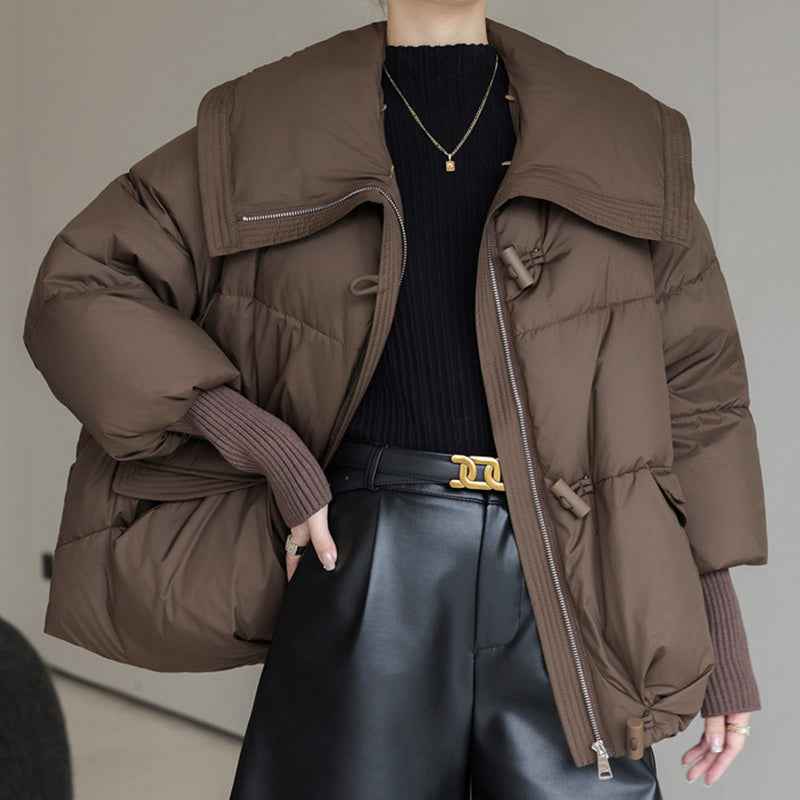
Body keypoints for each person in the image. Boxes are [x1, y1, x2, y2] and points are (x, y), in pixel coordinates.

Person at [23, 1, 768, 797]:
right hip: (372, 554)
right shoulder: (272, 122)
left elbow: (696, 390)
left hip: (575, 568)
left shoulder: (618, 133)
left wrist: (718, 625)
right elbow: (83, 283)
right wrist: (257, 439)